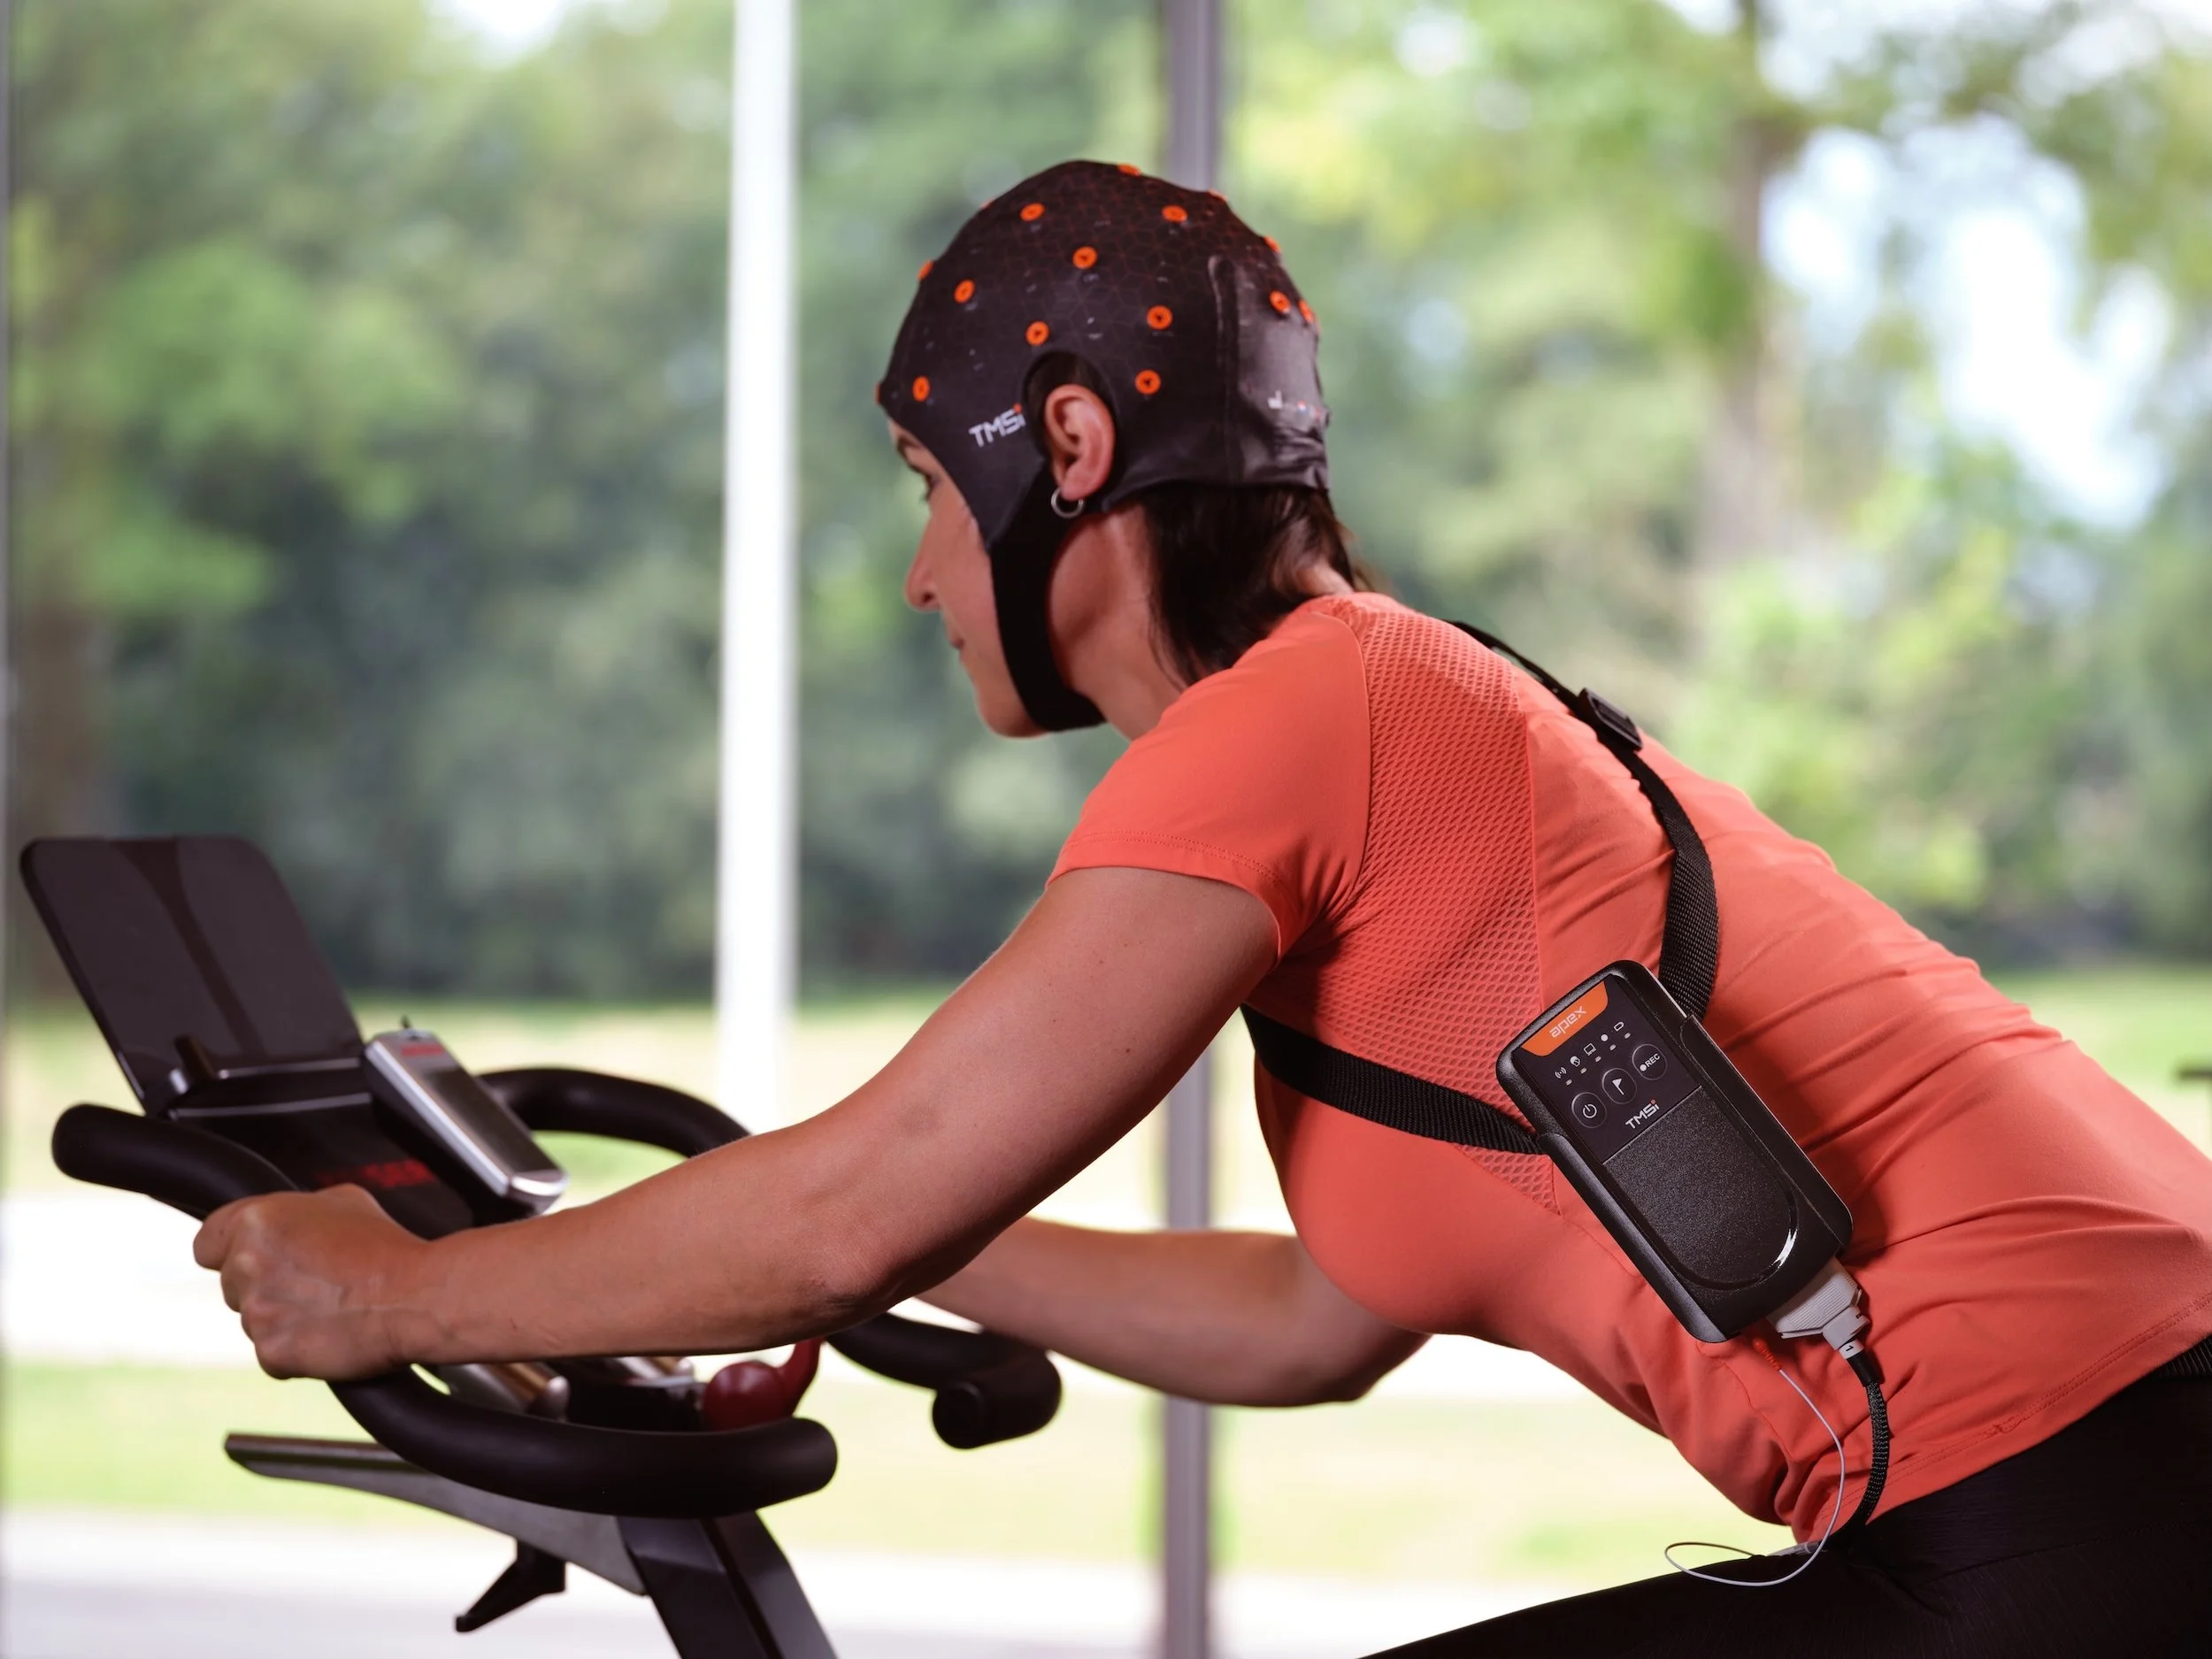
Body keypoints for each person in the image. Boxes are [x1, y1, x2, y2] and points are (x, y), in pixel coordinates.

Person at [194, 160, 2212, 1655]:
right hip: (2080, 1483)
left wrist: (385, 1293)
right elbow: (1315, 1318)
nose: (917, 572)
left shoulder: (1307, 713)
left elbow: (844, 1207)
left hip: (2087, 1491)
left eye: (921, 479)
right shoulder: (1389, 714)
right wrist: (901, 1257)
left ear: (1061, 443)